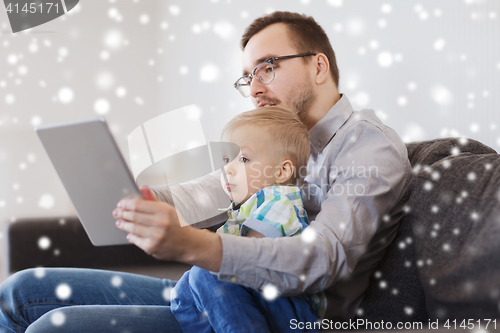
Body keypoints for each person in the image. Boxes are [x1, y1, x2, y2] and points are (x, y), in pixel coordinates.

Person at [0, 11, 411, 332]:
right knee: (18, 291)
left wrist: (195, 247)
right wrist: (123, 193)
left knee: (55, 327)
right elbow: (199, 196)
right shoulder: (272, 143)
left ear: (319, 66)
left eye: (268, 67)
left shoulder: (367, 146)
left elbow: (325, 255)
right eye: (248, 76)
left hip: (276, 313)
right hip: (219, 288)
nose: (254, 88)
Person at [170, 107, 325, 333]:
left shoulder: (280, 200)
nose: (227, 170)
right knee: (186, 286)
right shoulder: (248, 207)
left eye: (243, 158)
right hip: (262, 301)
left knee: (205, 272)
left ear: (282, 171)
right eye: (226, 159)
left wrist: (193, 244)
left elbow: (248, 255)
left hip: (293, 312)